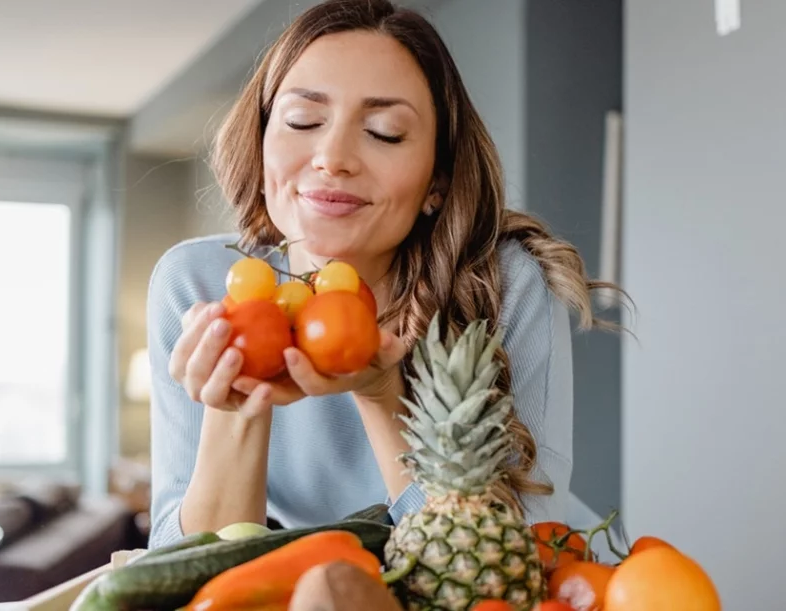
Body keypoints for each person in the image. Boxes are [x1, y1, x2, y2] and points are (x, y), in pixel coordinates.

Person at [146, 0, 616, 549]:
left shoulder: (504, 283)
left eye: (385, 132)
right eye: (303, 120)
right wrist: (240, 403)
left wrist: (380, 392)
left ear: (437, 180)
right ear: (262, 136)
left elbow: (520, 548)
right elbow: (180, 567)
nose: (332, 157)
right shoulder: (195, 284)